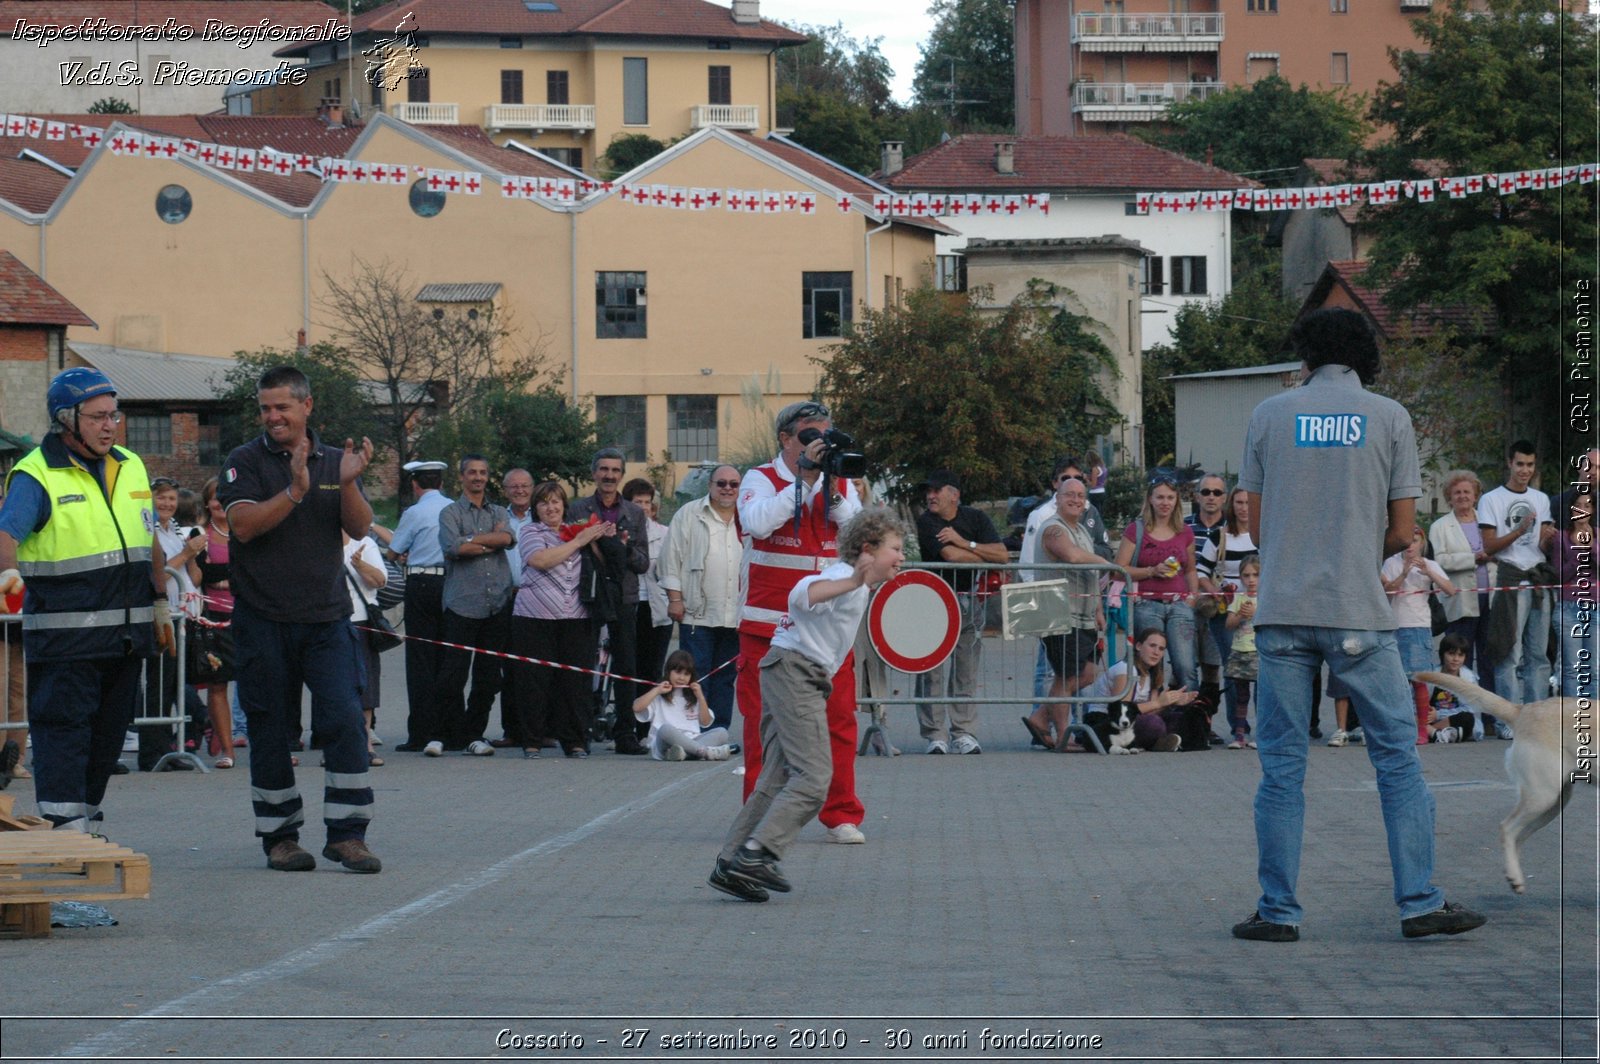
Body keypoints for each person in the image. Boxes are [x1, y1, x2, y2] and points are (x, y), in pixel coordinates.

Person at [1232, 307, 1483, 942]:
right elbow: (1403, 532)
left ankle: (1278, 912)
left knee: (1282, 767)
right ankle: (1419, 903)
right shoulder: (1390, 417)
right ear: (1364, 356)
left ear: (1307, 354)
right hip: (1360, 614)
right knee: (1398, 758)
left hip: (1284, 612)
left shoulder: (1267, 415)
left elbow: (1257, 529)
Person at [220, 365, 380, 874]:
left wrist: (347, 481)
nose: (272, 417)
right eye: (265, 408)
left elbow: (358, 527)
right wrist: (293, 489)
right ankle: (280, 839)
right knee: (270, 731)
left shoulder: (336, 460)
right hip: (262, 620)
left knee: (346, 720)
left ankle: (348, 836)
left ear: (306, 407)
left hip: (327, 621)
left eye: (282, 407)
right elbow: (241, 528)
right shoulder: (243, 461)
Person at [0, 367, 172, 829]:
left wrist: (160, 602)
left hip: (126, 639)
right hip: (64, 644)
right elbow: (4, 534)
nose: (109, 425)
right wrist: (8, 574)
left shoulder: (130, 465)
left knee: (107, 742)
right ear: (66, 420)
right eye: (97, 417)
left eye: (113, 415)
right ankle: (63, 837)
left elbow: (148, 538)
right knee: (64, 739)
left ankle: (83, 827)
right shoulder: (36, 474)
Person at [709, 508, 904, 902]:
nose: (901, 556)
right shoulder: (840, 576)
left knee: (776, 776)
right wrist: (852, 578)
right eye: (895, 549)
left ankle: (730, 863)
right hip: (795, 673)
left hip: (789, 671)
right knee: (814, 779)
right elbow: (802, 594)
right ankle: (758, 854)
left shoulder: (856, 584)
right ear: (867, 550)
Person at [736, 401, 865, 844]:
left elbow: (860, 537)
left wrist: (836, 503)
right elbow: (756, 523)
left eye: (826, 434)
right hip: (768, 624)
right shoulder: (761, 477)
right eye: (811, 435)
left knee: (839, 721)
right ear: (786, 439)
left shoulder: (841, 480)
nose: (820, 444)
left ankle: (841, 813)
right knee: (762, 726)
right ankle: (760, 812)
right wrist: (803, 479)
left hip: (827, 631)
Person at [510, 481, 610, 759]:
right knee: (534, 681)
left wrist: (602, 538)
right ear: (536, 509)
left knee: (575, 683)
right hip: (534, 616)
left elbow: (604, 562)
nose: (550, 507)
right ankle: (532, 740)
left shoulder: (577, 529)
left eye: (555, 501)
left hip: (576, 615)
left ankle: (575, 740)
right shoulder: (531, 531)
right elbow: (540, 560)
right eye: (543, 503)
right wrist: (579, 541)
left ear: (564, 506)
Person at [914, 470, 1007, 755]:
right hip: (935, 601)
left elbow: (1002, 555)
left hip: (970, 602)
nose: (930, 496)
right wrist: (977, 553)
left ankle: (963, 732)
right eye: (928, 491)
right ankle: (935, 735)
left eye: (936, 490)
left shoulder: (975, 519)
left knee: (966, 670)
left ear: (954, 494)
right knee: (932, 670)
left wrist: (965, 542)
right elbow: (951, 558)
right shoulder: (927, 522)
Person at [430, 454, 515, 758]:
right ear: (462, 476)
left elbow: (507, 538)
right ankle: (444, 733)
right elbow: (455, 547)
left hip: (497, 604)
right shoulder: (449, 512)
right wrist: (489, 541)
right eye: (472, 472)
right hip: (462, 604)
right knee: (452, 674)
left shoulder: (499, 511)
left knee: (488, 677)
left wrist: (474, 540)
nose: (478, 477)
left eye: (483, 472)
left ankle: (473, 734)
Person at [567, 449, 651, 754]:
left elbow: (643, 563)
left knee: (626, 666)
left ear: (621, 475)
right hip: (586, 595)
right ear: (593, 473)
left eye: (615, 470)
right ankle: (579, 731)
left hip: (624, 597)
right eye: (603, 469)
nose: (609, 475)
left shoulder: (635, 513)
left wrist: (623, 548)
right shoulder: (577, 508)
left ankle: (625, 733)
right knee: (581, 664)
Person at [1020, 477, 1104, 752]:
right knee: (1066, 677)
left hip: (1084, 614)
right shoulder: (1053, 529)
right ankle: (1063, 736)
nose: (1076, 500)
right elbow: (1073, 557)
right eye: (1070, 494)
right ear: (1057, 498)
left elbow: (1088, 572)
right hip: (1059, 613)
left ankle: (1041, 716)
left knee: (1087, 673)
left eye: (1081, 496)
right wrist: (1108, 563)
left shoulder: (1080, 529)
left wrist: (1099, 607)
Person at [660, 464, 744, 732]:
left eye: (734, 484)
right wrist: (675, 599)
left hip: (736, 615)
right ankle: (691, 732)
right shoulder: (689, 514)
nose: (728, 489)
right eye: (721, 483)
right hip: (697, 613)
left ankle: (718, 732)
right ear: (710, 485)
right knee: (695, 677)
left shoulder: (749, 517)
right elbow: (670, 559)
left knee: (725, 678)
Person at [378, 460, 451, 752]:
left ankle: (421, 732)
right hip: (450, 583)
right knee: (447, 657)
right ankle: (447, 727)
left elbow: (395, 551)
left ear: (415, 484)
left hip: (421, 584)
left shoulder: (414, 512)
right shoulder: (453, 508)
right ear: (442, 484)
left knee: (421, 659)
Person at [1479, 440, 1555, 712]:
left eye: (1530, 465)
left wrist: (1549, 539)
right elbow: (1488, 546)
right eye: (1520, 464)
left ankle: (1536, 715)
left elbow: (1542, 548)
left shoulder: (1541, 499)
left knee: (1538, 653)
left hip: (1538, 579)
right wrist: (1519, 531)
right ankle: (1508, 717)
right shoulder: (1491, 499)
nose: (1525, 470)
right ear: (1509, 463)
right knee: (1509, 653)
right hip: (1511, 578)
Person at [137, 476, 204, 771]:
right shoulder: (149, 531)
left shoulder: (174, 531)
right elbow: (159, 574)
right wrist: (186, 554)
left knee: (173, 686)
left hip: (180, 617)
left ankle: (168, 747)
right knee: (158, 685)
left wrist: (192, 554)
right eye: (161, 498)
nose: (166, 504)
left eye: (171, 499)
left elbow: (194, 577)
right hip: (160, 615)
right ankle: (151, 751)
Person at [1115, 476, 1200, 691]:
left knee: (1185, 665)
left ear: (1177, 500)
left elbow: (1190, 569)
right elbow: (1119, 570)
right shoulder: (1137, 530)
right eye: (1160, 497)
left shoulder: (1185, 531)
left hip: (1179, 604)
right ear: (1150, 499)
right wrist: (1151, 571)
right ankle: (1151, 712)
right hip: (1146, 604)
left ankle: (1189, 716)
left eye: (1170, 497)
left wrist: (1193, 597)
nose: (1165, 502)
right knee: (1150, 663)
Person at [1381, 527, 1457, 745]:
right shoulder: (1391, 563)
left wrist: (1429, 572)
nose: (1410, 546)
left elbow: (1450, 590)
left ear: (1422, 543)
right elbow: (1387, 590)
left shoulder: (1430, 564)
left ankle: (1422, 728)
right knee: (1397, 682)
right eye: (1407, 541)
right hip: (1394, 626)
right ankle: (1400, 727)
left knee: (1419, 680)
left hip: (1419, 627)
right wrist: (1404, 573)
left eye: (1415, 541)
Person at [1427, 470, 1494, 687]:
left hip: (1491, 600)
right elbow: (1439, 560)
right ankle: (1458, 710)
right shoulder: (1440, 526)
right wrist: (1472, 558)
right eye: (1457, 492)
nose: (1462, 496)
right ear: (1449, 497)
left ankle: (1488, 715)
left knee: (1489, 658)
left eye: (1467, 491)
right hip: (1460, 602)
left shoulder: (1488, 522)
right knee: (1459, 657)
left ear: (1475, 495)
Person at [1079, 627, 1194, 751]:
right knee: (1153, 724)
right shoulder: (1126, 669)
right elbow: (1122, 709)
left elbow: (1151, 711)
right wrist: (1158, 703)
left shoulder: (1152, 674)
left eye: (1161, 649)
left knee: (1178, 718)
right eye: (1152, 646)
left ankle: (1158, 742)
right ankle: (1155, 743)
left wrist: (1170, 703)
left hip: (1130, 722)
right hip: (1105, 721)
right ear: (1138, 646)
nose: (1156, 652)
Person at [194, 478, 238, 768]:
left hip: (250, 614)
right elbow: (200, 577)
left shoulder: (246, 529)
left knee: (263, 683)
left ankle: (275, 747)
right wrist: (227, 578)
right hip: (214, 618)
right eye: (214, 497)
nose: (220, 502)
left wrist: (223, 577)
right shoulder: (201, 534)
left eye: (225, 496)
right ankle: (228, 750)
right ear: (208, 503)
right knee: (218, 684)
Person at [494, 468, 537, 749]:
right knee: (509, 667)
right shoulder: (498, 517)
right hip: (506, 597)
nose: (520, 491)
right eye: (514, 487)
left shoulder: (543, 515)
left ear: (532, 488)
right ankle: (511, 730)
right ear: (505, 490)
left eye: (524, 486)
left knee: (538, 667)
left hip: (538, 598)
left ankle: (541, 729)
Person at [632, 648, 736, 761]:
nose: (681, 678)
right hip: (665, 744)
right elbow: (636, 707)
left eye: (686, 674)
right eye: (677, 672)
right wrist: (656, 690)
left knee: (722, 732)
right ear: (668, 672)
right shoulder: (659, 695)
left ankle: (686, 754)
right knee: (665, 729)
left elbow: (705, 722)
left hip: (692, 740)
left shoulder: (693, 697)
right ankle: (705, 752)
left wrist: (700, 697)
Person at [342, 528, 388, 767]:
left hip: (361, 622)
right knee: (334, 685)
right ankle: (335, 744)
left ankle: (364, 744)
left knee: (365, 684)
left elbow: (379, 581)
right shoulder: (317, 543)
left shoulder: (364, 543)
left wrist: (359, 565)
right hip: (328, 621)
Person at [623, 477, 674, 690]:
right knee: (627, 666)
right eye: (638, 502)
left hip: (656, 607)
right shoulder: (619, 531)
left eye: (647, 502)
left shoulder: (665, 533)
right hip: (628, 603)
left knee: (652, 668)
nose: (643, 507)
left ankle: (648, 721)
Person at [1546, 495, 1595, 700]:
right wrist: (1579, 553)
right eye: (1578, 505)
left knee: (1594, 669)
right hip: (1568, 607)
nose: (1582, 509)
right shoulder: (1561, 537)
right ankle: (1571, 717)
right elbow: (1559, 575)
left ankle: (1595, 719)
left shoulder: (1598, 535)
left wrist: (1592, 546)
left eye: (1587, 505)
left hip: (1595, 607)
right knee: (1572, 669)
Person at [1222, 554, 1261, 749]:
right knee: (1241, 695)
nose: (1251, 580)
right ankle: (1239, 735)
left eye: (1256, 575)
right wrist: (1240, 615)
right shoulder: (1238, 598)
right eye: (1246, 575)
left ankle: (1260, 734)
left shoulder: (1266, 597)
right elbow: (1229, 624)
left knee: (1261, 695)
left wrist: (1256, 614)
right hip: (1239, 651)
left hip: (1258, 651)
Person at [1426, 634, 1482, 743]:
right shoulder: (1432, 675)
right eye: (1451, 654)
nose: (1456, 659)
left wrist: (1438, 714)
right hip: (1430, 720)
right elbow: (1415, 702)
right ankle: (1444, 734)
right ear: (1442, 654)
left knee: (1468, 718)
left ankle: (1433, 733)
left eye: (1460, 655)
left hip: (1454, 720)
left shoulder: (1468, 678)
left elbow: (1471, 709)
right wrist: (1426, 714)